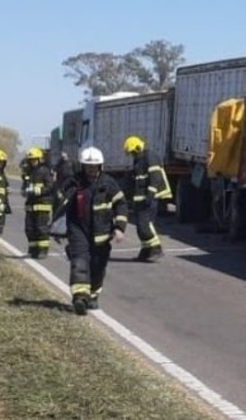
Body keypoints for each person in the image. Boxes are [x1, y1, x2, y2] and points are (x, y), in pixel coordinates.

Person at [52, 147, 128, 315]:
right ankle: (80, 297)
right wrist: (56, 228)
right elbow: (60, 203)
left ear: (100, 166)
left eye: (94, 166)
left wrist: (119, 228)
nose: (91, 169)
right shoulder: (74, 182)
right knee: (80, 261)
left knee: (97, 267)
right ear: (83, 166)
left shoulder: (109, 184)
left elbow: (121, 205)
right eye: (88, 166)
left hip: (102, 235)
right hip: (78, 229)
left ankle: (92, 296)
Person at [123, 135, 173, 262]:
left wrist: (150, 194)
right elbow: (137, 180)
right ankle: (146, 251)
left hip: (150, 197)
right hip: (141, 197)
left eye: (132, 152)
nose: (132, 155)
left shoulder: (150, 157)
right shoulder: (138, 160)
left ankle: (156, 248)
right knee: (140, 226)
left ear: (137, 148)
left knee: (144, 224)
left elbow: (155, 177)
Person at [22, 147, 55, 259]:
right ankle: (32, 250)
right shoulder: (28, 172)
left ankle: (43, 250)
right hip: (30, 205)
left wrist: (38, 190)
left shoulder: (45, 171)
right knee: (29, 229)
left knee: (41, 228)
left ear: (39, 159)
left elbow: (50, 186)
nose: (32, 162)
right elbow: (25, 185)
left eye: (34, 159)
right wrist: (24, 191)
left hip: (42, 204)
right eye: (31, 160)